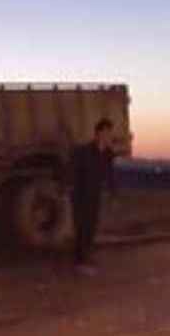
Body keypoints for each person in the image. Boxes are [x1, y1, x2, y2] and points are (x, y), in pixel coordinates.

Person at [71, 118, 116, 276]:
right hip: (80, 195)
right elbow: (74, 171)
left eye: (109, 133)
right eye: (104, 133)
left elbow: (110, 175)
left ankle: (85, 258)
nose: (107, 136)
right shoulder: (84, 151)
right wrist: (72, 190)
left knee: (91, 227)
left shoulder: (108, 154)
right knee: (82, 227)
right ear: (97, 134)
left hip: (95, 195)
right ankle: (80, 262)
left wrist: (113, 193)